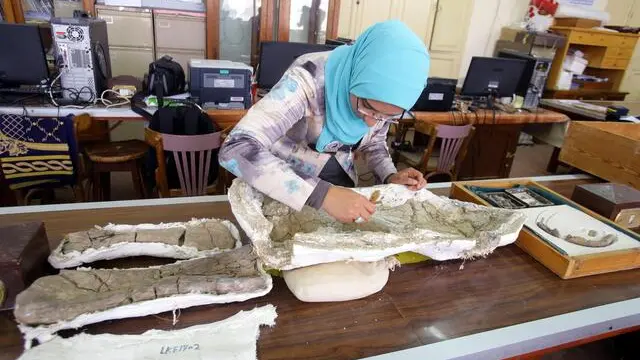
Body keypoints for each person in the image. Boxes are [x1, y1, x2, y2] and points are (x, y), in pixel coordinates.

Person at [219, 20, 429, 223]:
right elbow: (237, 147)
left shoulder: (381, 104)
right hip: (283, 185)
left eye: (387, 118)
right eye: (368, 108)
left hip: (339, 182)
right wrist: (322, 194)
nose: (371, 123)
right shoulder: (307, 79)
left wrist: (390, 175)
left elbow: (374, 142)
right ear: (355, 77)